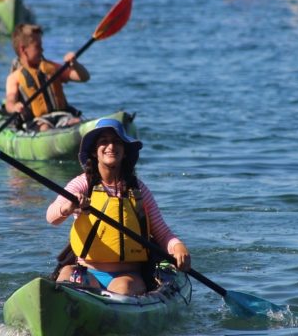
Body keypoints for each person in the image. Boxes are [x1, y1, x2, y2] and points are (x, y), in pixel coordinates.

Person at [46, 119, 191, 296]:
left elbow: (161, 233)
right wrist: (67, 207)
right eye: (104, 141)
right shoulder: (83, 184)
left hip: (128, 276)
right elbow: (51, 217)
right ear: (94, 151)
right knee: (67, 276)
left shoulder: (138, 189)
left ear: (124, 151)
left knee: (123, 288)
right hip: (87, 272)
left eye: (116, 142)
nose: (110, 146)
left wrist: (178, 247)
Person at [5, 23, 90, 132]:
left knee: (76, 122)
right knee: (45, 128)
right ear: (23, 49)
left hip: (62, 116)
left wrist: (75, 65)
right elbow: (10, 101)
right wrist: (14, 107)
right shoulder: (14, 77)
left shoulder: (51, 67)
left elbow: (83, 77)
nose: (42, 49)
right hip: (36, 121)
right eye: (37, 46)